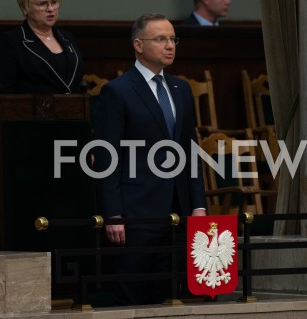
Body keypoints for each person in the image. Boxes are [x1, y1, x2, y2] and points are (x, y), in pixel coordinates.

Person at [94, 13, 207, 306]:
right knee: (132, 296)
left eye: (172, 39)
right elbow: (107, 157)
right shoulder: (117, 91)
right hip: (136, 212)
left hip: (177, 211)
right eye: (160, 39)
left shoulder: (181, 90)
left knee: (170, 296)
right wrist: (113, 214)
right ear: (138, 45)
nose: (169, 45)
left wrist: (198, 205)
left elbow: (189, 150)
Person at [0, 0, 84, 94]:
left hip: (73, 108)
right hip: (31, 109)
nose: (50, 9)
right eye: (42, 4)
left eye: (54, 2)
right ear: (24, 8)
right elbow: (3, 96)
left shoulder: (68, 37)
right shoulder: (10, 41)